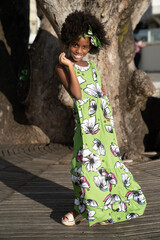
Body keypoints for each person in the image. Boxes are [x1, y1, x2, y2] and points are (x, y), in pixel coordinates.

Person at [56, 11, 147, 227]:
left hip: (102, 126)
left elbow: (100, 93)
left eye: (84, 47)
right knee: (83, 166)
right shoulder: (62, 67)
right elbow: (77, 95)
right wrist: (70, 66)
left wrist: (107, 119)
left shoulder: (93, 67)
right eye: (75, 45)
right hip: (85, 127)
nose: (79, 51)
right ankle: (81, 209)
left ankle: (101, 207)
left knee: (106, 165)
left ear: (91, 47)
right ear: (68, 42)